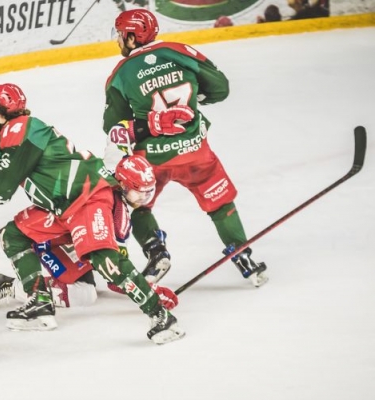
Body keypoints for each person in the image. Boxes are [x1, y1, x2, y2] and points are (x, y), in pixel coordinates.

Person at [0, 83, 183, 344]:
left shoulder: (19, 129)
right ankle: (39, 301)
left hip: (86, 198)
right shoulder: (16, 134)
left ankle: (160, 316)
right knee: (15, 234)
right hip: (65, 208)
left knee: (103, 258)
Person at [103, 9, 267, 287]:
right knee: (220, 203)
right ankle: (243, 255)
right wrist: (190, 101)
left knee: (137, 204)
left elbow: (113, 126)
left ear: (132, 36)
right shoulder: (180, 51)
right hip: (195, 151)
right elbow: (220, 89)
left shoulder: (120, 74)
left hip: (152, 159)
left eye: (121, 35)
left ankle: (156, 252)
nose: (119, 40)